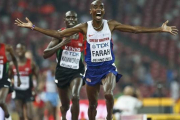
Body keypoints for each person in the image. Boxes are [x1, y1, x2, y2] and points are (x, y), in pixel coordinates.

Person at [15, 0, 178, 119]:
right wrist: (34, 27)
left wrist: (160, 29)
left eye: (101, 7)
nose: (99, 9)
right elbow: (58, 34)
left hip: (108, 66)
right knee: (92, 104)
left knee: (108, 93)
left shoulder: (111, 24)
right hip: (92, 69)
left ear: (103, 11)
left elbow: (135, 29)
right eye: (95, 7)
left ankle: (108, 117)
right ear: (91, 11)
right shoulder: (84, 27)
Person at [43, 11, 85, 120]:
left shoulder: (83, 35)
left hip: (77, 71)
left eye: (73, 17)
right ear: (64, 20)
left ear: (77, 20)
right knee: (65, 105)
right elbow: (45, 54)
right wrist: (62, 43)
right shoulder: (59, 34)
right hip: (61, 73)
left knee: (75, 96)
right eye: (68, 17)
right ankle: (64, 116)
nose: (71, 19)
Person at [9, 44, 38, 120]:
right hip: (17, 92)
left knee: (29, 115)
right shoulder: (12, 64)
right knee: (20, 115)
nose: (19, 51)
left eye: (21, 49)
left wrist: (36, 88)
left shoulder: (31, 64)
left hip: (28, 91)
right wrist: (10, 82)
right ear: (16, 51)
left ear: (25, 50)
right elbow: (8, 77)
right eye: (18, 49)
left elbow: (38, 76)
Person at [0, 43, 21, 120]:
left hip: (4, 80)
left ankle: (8, 117)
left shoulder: (7, 48)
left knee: (1, 101)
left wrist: (18, 76)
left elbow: (14, 60)